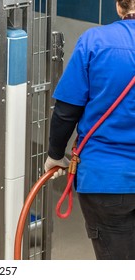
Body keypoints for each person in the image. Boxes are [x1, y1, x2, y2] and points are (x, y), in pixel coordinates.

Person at [44, 0, 135, 260]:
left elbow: (66, 111)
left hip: (105, 180)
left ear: (119, 6)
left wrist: (55, 155)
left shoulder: (94, 41)